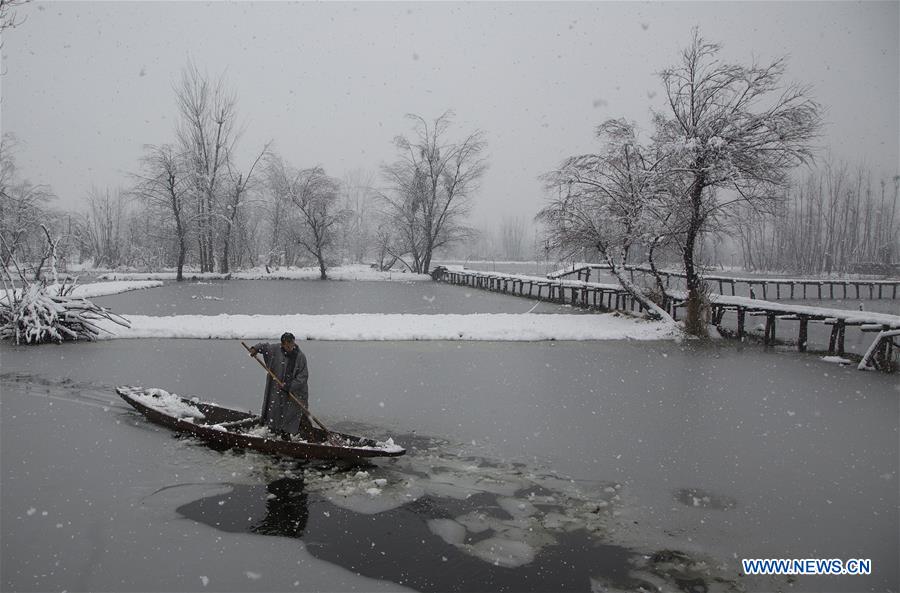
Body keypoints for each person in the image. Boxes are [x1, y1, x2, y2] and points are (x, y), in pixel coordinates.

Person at [248, 332, 312, 440]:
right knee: (276, 411)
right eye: (287, 346)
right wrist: (255, 349)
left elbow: (303, 377)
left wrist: (290, 386)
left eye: (291, 345)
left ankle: (297, 435)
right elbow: (264, 347)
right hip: (277, 389)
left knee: (294, 413)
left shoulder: (300, 356)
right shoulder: (275, 350)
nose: (290, 348)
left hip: (295, 392)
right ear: (282, 344)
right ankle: (277, 432)